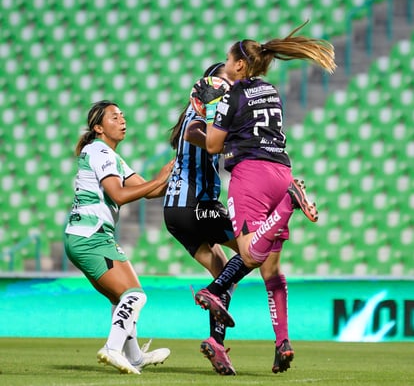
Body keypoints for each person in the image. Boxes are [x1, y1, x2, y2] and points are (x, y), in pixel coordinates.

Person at [191, 21, 335, 373]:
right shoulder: (271, 91)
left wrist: (205, 115)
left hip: (251, 176)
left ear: (240, 65)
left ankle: (289, 204)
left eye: (228, 59)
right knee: (272, 270)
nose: (225, 64)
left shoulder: (231, 95)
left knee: (248, 254)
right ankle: (282, 341)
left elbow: (212, 145)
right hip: (280, 170)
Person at [64, 100, 175, 375]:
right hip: (91, 237)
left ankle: (134, 356)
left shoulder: (110, 155)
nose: (122, 120)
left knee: (121, 298)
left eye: (123, 115)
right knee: (134, 296)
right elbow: (120, 195)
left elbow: (149, 191)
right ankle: (113, 348)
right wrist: (160, 177)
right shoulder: (100, 151)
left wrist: (172, 179)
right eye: (114, 117)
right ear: (98, 127)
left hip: (86, 236)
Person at [164, 63, 248, 375]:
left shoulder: (199, 108)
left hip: (174, 213)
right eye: (226, 81)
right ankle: (211, 294)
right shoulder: (209, 104)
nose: (230, 87)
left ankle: (215, 343)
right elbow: (197, 133)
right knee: (254, 249)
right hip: (200, 206)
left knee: (224, 279)